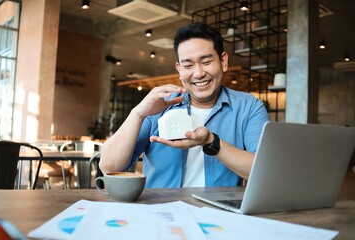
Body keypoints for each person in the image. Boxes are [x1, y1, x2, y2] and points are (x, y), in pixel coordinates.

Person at [100, 22, 269, 188]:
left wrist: (211, 141)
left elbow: (264, 172)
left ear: (223, 61)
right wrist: (138, 113)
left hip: (217, 213)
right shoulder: (159, 105)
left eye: (206, 61)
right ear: (179, 69)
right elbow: (109, 167)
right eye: (188, 65)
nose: (198, 73)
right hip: (160, 210)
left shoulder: (249, 107)